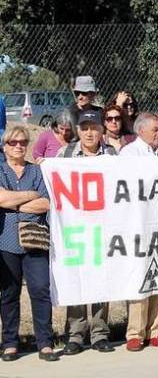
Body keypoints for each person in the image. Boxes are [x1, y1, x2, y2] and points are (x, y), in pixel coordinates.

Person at [58, 110, 117, 355]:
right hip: (75, 227)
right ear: (78, 130)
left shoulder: (113, 155)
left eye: (94, 127)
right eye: (85, 128)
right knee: (77, 279)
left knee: (101, 279)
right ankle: (75, 334)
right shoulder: (66, 154)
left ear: (102, 130)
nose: (89, 132)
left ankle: (100, 333)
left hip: (104, 226)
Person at [118, 113, 158, 351]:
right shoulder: (129, 153)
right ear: (140, 130)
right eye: (155, 130)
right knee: (140, 277)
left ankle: (156, 330)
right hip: (139, 225)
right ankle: (135, 333)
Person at [0, 126, 57, 362]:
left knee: (40, 290)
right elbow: (0, 198)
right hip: (6, 241)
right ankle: (10, 343)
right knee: (9, 293)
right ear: (5, 147)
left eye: (23, 142)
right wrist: (29, 195)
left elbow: (45, 203)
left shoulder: (37, 171)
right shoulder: (0, 170)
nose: (19, 146)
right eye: (13, 143)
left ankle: (45, 342)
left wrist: (14, 203)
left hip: (35, 241)